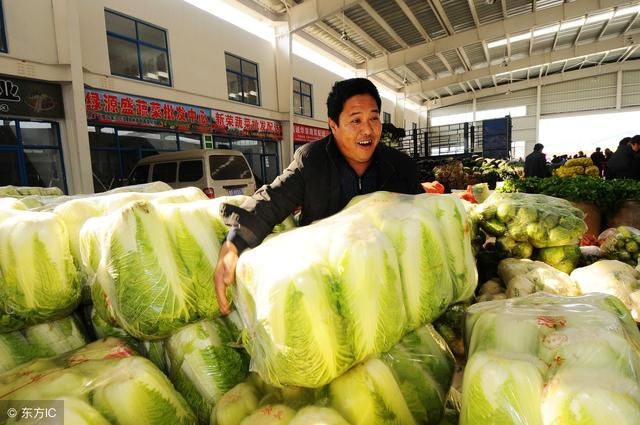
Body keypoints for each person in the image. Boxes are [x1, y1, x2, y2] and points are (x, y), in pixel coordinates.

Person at [213, 77, 423, 314]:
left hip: (389, 284)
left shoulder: (401, 167)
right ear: (333, 125)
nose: (368, 129)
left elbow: (425, 221)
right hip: (328, 287)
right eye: (356, 120)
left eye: (374, 118)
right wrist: (233, 244)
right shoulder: (312, 161)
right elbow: (272, 200)